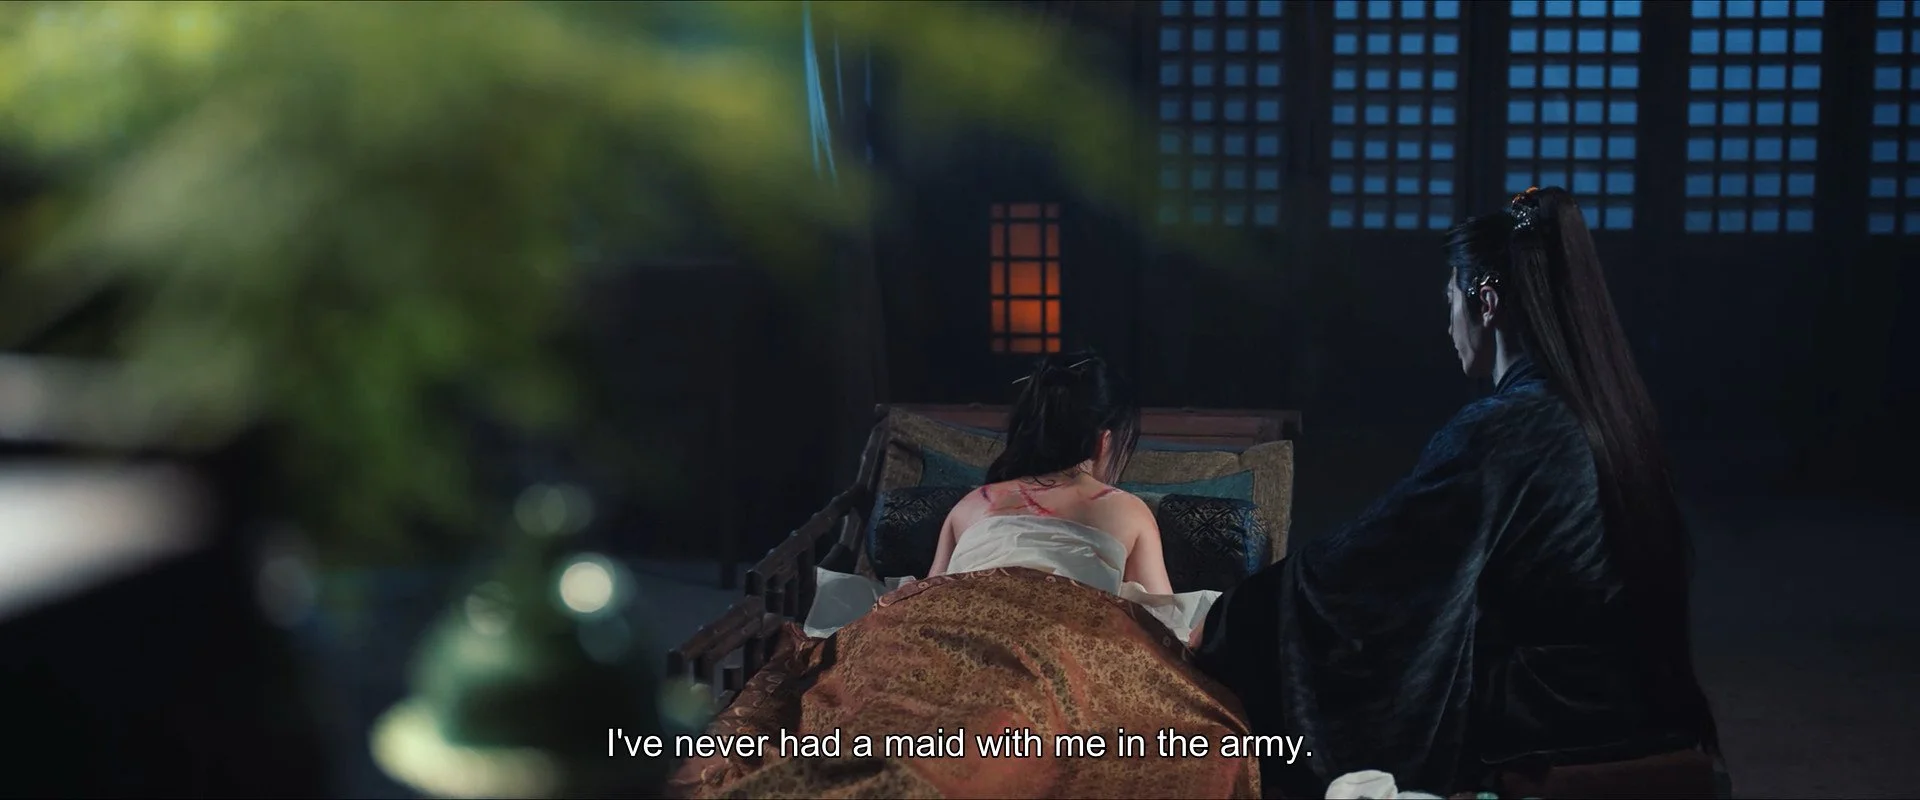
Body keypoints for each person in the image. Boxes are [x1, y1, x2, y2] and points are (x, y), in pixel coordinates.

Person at [1192, 187, 1723, 798]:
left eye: (1451, 300)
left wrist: (1239, 615)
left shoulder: (1511, 428)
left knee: (1319, 672)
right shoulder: (1606, 412)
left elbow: (1376, 567)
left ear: (1486, 302)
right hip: (1630, 697)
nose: (1449, 325)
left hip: (1550, 710)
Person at [671, 351, 1259, 798]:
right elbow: (1156, 615)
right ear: (1107, 438)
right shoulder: (1125, 508)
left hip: (941, 621)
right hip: (1055, 638)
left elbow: (926, 593)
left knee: (901, 706)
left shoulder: (975, 502)